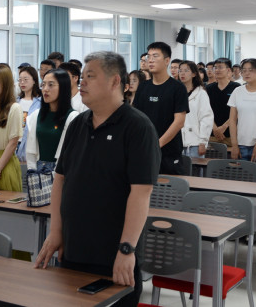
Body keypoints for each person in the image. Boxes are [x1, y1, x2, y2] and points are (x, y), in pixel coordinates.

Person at [35, 52, 159, 307]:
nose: (82, 82)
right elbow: (60, 180)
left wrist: (126, 249)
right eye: (82, 77)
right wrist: (56, 231)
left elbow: (141, 192)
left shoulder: (138, 127)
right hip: (73, 250)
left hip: (113, 254)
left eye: (90, 76)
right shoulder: (77, 124)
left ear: (115, 81)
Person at [133, 41, 188, 175]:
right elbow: (136, 118)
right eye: (149, 56)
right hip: (145, 151)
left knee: (170, 187)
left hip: (169, 152)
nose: (150, 60)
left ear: (167, 60)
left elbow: (179, 121)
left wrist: (157, 144)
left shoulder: (177, 88)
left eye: (155, 56)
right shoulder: (143, 87)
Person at [25, 68, 78, 171]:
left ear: (63, 88)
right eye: (43, 84)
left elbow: (72, 153)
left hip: (61, 170)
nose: (45, 89)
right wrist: (32, 171)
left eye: (51, 85)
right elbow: (30, 150)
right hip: (37, 170)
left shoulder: (72, 117)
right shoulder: (36, 115)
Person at [228, 58, 256, 162]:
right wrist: (234, 145)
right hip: (241, 145)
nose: (246, 73)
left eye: (251, 70)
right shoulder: (237, 91)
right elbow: (232, 120)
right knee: (240, 173)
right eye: (244, 70)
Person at [178, 61, 212, 157]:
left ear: (194, 74)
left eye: (186, 71)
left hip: (195, 143)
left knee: (194, 167)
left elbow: (206, 118)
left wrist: (203, 142)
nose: (182, 73)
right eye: (180, 71)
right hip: (178, 142)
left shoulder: (201, 93)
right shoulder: (176, 93)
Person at [206, 58, 240, 146]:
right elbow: (206, 110)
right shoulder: (209, 88)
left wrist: (224, 127)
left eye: (220, 67)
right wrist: (215, 128)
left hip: (231, 134)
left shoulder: (236, 87)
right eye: (215, 68)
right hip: (213, 134)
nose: (217, 70)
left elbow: (238, 110)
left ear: (228, 70)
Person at [16, 65, 42, 163]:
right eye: (20, 80)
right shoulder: (16, 101)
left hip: (31, 144)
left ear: (34, 80)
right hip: (15, 142)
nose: (22, 82)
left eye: (25, 79)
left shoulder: (40, 102)